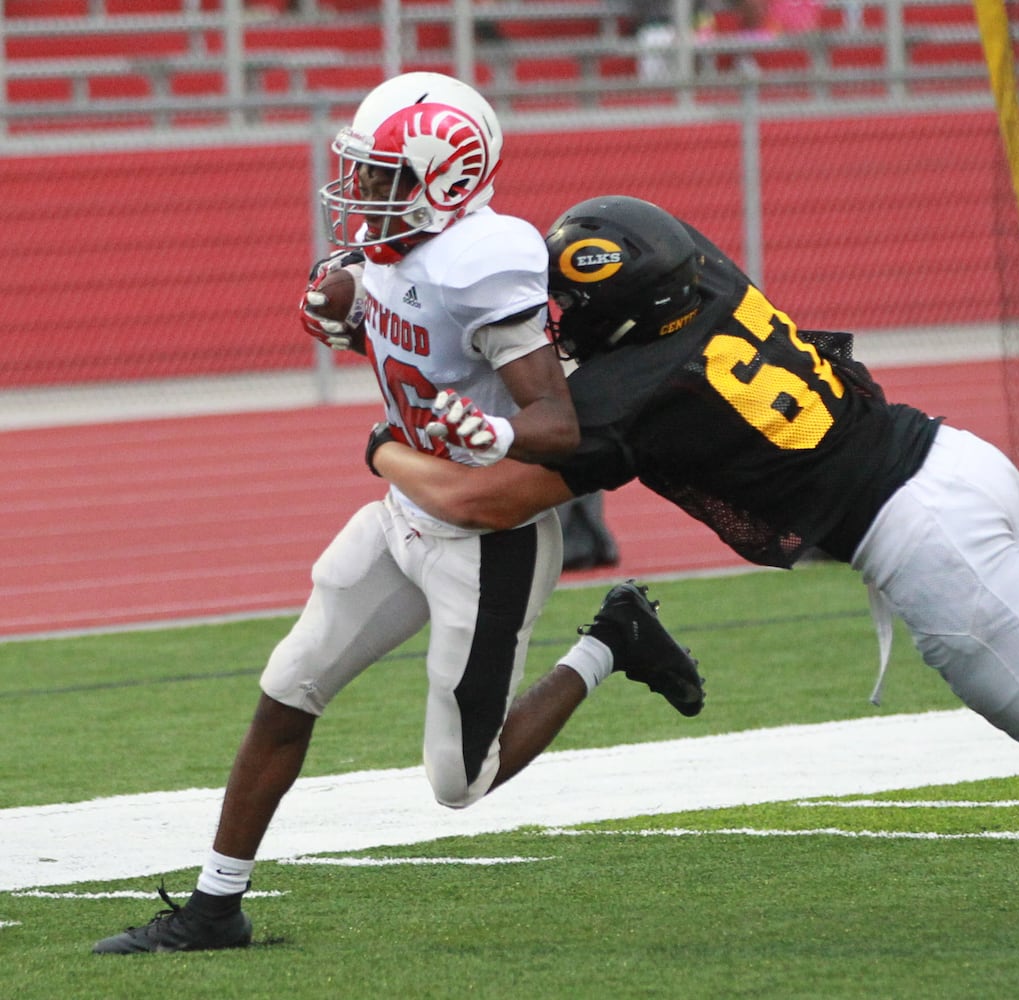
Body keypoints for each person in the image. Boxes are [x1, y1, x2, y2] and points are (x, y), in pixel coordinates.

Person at [366, 192, 1019, 905]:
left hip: (916, 535)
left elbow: (483, 497)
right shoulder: (710, 285)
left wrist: (386, 449)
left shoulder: (628, 396)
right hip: (959, 459)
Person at [92, 74, 703, 955]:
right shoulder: (399, 248)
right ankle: (214, 906)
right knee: (286, 686)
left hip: (484, 538)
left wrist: (489, 427)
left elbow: (555, 424)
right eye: (364, 173)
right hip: (403, 509)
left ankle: (612, 639)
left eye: (383, 177)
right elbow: (405, 333)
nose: (362, 195)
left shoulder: (482, 259)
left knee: (461, 781)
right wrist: (352, 320)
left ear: (444, 179)